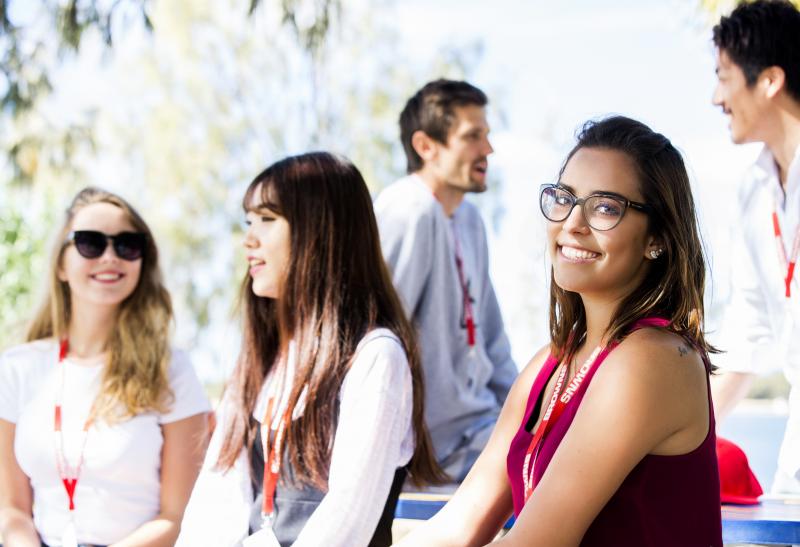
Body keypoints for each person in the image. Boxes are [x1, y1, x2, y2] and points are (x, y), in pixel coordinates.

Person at [395, 116, 723, 546]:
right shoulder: (550, 364)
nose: (572, 223)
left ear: (656, 238)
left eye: (605, 207)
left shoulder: (653, 359)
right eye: (565, 198)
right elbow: (461, 522)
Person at [177, 152, 443, 547]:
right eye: (249, 222)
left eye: (268, 219)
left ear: (320, 231)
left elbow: (347, 521)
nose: (249, 239)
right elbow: (213, 507)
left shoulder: (375, 357)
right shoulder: (260, 362)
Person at [0, 187, 211, 547]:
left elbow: (176, 518)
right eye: (90, 243)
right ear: (61, 265)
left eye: (127, 245)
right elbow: (12, 510)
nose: (110, 257)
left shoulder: (172, 369)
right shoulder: (17, 368)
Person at [374, 79, 517, 481]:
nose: (487, 149)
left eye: (486, 135)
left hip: (483, 432)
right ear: (426, 146)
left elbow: (493, 342)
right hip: (436, 452)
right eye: (472, 136)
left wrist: (530, 419)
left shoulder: (470, 221)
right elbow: (376, 339)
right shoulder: (408, 210)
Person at [709, 0, 800, 495]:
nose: (715, 98)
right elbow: (747, 332)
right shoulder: (752, 191)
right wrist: (673, 436)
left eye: (723, 78)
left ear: (769, 81)